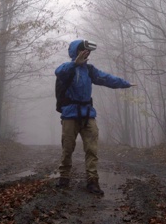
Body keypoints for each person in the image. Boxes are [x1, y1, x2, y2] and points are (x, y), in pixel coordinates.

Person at [55, 39, 135, 195]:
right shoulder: (67, 69)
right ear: (75, 52)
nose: (86, 54)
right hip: (70, 114)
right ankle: (64, 177)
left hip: (87, 113)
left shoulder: (90, 70)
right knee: (68, 148)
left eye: (87, 52)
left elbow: (106, 78)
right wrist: (75, 63)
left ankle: (92, 181)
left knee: (92, 148)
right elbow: (59, 72)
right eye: (83, 51)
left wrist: (125, 83)